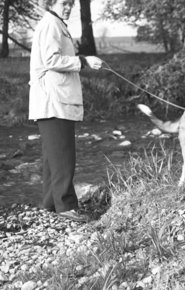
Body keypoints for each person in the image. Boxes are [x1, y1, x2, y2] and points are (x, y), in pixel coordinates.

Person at [29, 0, 103, 222]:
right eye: (64, 2)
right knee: (63, 157)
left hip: (53, 102)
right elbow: (51, 60)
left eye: (71, 3)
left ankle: (50, 204)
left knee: (53, 158)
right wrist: (84, 60)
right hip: (53, 102)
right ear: (52, 3)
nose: (69, 6)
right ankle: (66, 207)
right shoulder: (51, 24)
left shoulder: (55, 23)